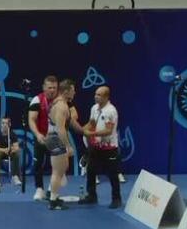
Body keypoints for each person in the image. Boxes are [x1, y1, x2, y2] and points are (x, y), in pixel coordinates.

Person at [80, 86, 122, 208]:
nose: (95, 97)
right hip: (96, 147)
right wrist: (82, 130)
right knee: (91, 171)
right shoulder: (94, 108)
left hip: (110, 148)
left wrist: (92, 134)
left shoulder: (110, 111)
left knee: (113, 174)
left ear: (106, 97)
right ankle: (91, 196)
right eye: (95, 94)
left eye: (99, 95)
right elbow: (92, 123)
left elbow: (108, 130)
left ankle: (116, 199)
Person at [46, 79, 77, 210]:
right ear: (66, 91)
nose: (74, 92)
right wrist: (68, 146)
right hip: (56, 139)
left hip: (53, 138)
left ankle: (53, 194)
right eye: (73, 90)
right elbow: (60, 129)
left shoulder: (60, 103)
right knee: (58, 172)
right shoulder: (61, 106)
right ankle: (53, 201)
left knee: (61, 169)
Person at [26, 75, 57, 200]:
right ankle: (39, 189)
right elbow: (31, 119)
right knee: (38, 164)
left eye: (54, 88)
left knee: (58, 165)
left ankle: (52, 188)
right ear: (44, 87)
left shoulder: (61, 100)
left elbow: (73, 114)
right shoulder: (37, 100)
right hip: (41, 136)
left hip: (55, 138)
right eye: (50, 87)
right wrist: (37, 134)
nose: (52, 90)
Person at [0, 117, 22, 185]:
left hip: (9, 152)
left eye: (6, 123)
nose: (4, 125)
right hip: (0, 151)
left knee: (16, 154)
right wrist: (4, 150)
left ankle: (15, 176)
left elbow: (17, 147)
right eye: (3, 123)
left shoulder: (12, 134)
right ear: (1, 124)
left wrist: (12, 150)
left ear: (10, 124)